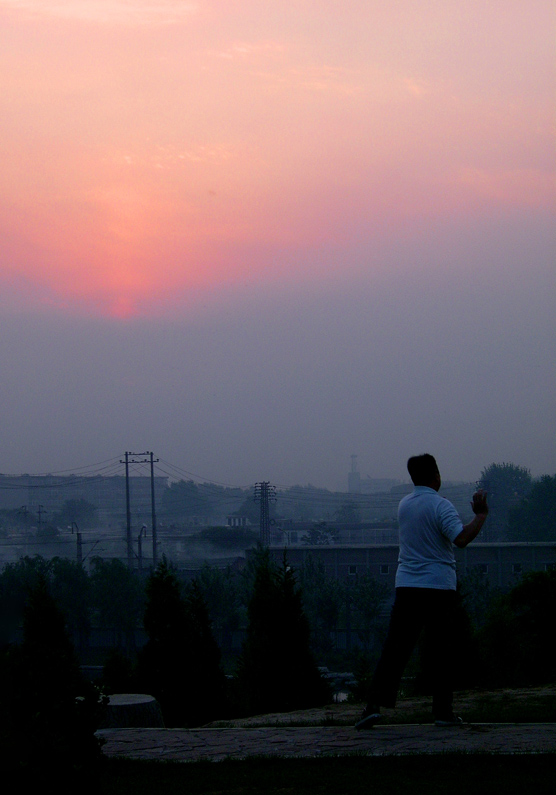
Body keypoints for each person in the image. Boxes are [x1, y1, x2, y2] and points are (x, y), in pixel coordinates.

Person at [355, 453, 488, 729]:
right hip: (438, 587)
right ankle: (442, 712)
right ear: (435, 475)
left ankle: (373, 706)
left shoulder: (405, 504)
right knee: (441, 651)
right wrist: (481, 516)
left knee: (395, 649)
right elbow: (461, 538)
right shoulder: (442, 506)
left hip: (407, 585)